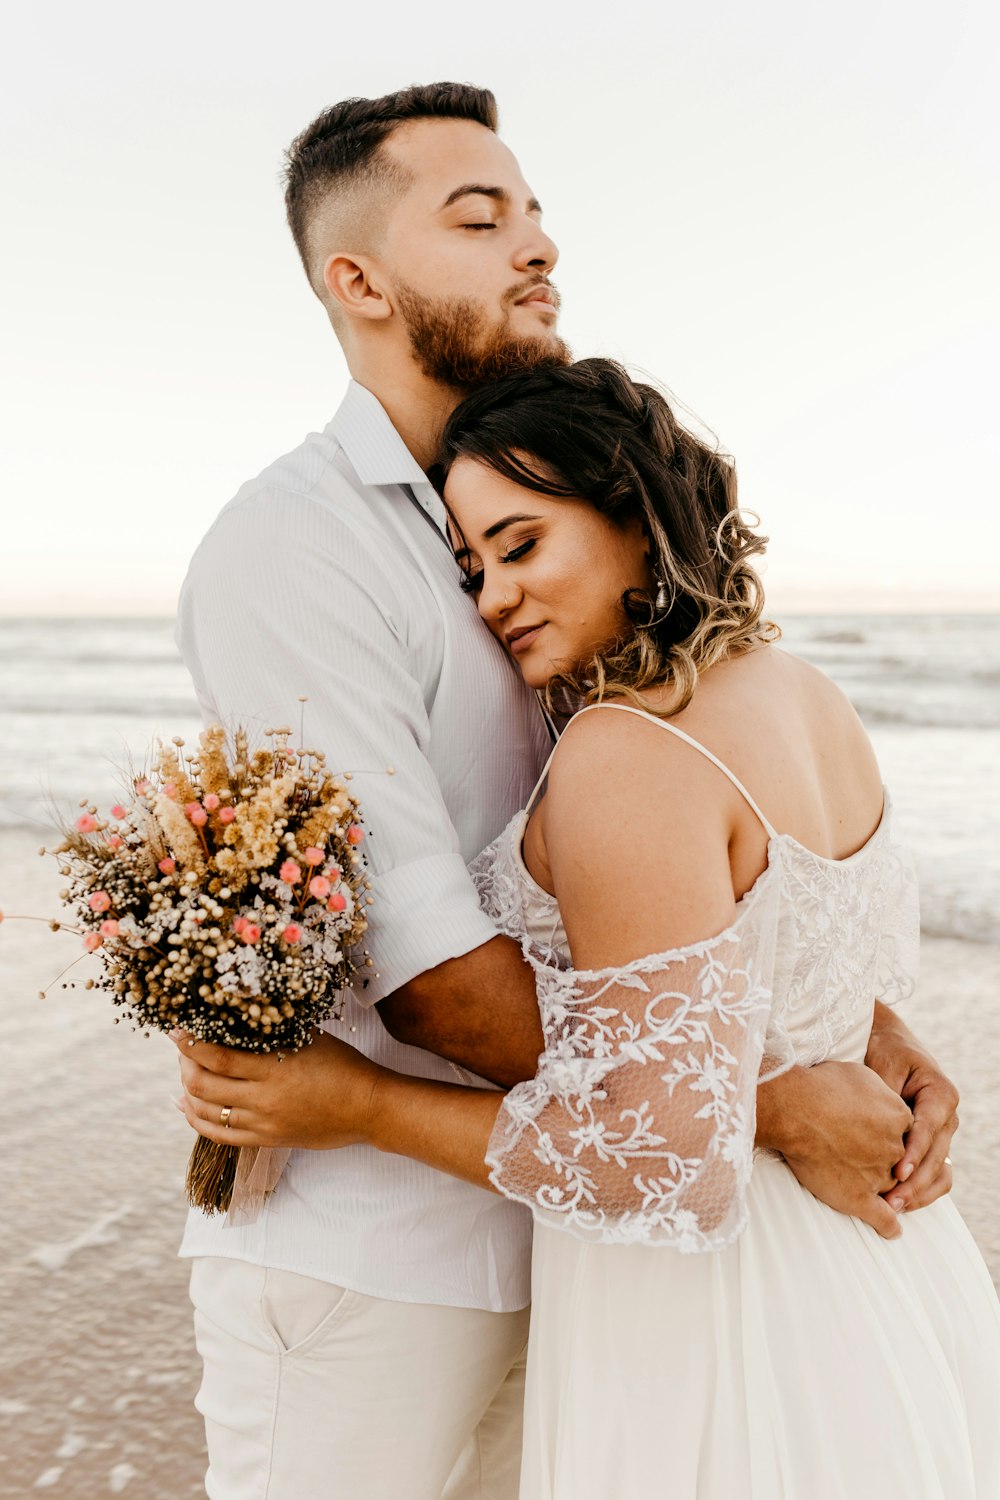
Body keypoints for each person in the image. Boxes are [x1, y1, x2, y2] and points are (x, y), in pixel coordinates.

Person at [175, 86, 962, 1500]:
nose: (537, 250)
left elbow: (709, 875)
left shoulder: (546, 548)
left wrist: (861, 1021)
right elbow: (426, 972)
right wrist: (778, 1097)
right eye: (481, 220)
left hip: (597, 1244)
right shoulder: (296, 552)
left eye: (537, 219)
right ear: (356, 281)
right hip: (387, 1268)